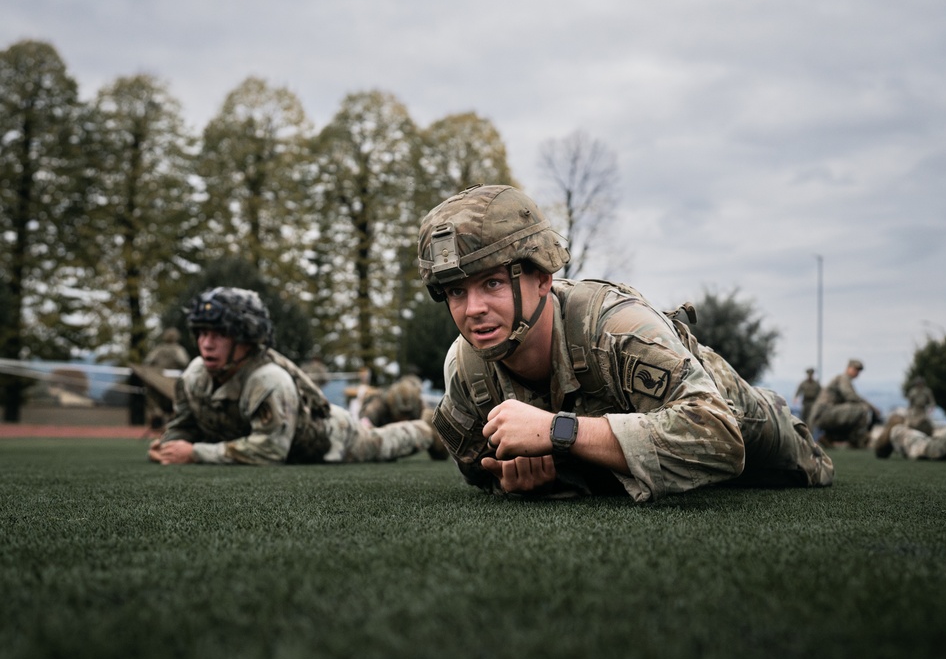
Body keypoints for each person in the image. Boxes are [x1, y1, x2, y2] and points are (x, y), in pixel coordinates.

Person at [416, 184, 833, 502]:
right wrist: (524, 478)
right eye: (456, 292)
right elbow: (477, 468)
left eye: (492, 283)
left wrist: (558, 431)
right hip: (648, 446)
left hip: (737, 411)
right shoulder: (467, 368)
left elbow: (720, 440)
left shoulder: (614, 327)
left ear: (542, 278)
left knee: (804, 470)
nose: (473, 309)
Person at [148, 287, 435, 466]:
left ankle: (429, 429)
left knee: (383, 444)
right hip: (281, 440)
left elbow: (270, 451)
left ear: (246, 340)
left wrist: (194, 454)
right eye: (202, 333)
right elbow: (185, 425)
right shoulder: (194, 376)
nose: (206, 344)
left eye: (220, 334)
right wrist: (168, 446)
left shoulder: (268, 379)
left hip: (331, 438)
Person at [809, 360, 882, 448]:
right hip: (824, 413)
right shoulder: (843, 378)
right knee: (862, 409)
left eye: (858, 371)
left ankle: (830, 438)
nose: (857, 372)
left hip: (825, 414)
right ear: (848, 368)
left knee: (854, 412)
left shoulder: (844, 379)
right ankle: (857, 441)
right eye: (855, 369)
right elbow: (850, 396)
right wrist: (872, 408)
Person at [142, 327, 190, 429]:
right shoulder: (178, 350)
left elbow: (148, 362)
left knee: (154, 399)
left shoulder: (158, 350)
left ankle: (158, 414)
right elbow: (184, 362)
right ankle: (170, 418)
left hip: (159, 383)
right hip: (172, 383)